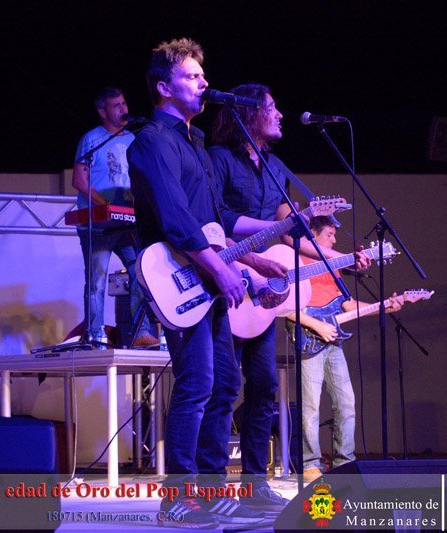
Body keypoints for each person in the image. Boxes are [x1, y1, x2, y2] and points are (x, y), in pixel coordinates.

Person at [127, 39, 289, 528]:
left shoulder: (196, 142)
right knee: (196, 384)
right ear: (164, 87)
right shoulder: (152, 140)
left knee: (222, 383)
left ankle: (209, 491)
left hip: (207, 277)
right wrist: (218, 269)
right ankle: (176, 500)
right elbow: (175, 217)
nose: (204, 83)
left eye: (203, 75)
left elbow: (215, 221)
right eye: (192, 76)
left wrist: (252, 258)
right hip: (182, 275)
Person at [210, 84, 370, 503]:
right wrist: (262, 244)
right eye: (272, 107)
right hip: (229, 283)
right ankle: (208, 486)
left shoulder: (275, 167)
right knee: (223, 387)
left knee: (264, 387)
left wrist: (341, 258)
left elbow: (291, 231)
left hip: (263, 297)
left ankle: (255, 485)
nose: (280, 114)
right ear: (249, 114)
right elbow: (216, 219)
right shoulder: (220, 159)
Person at [285, 215, 402, 483]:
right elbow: (284, 307)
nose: (335, 240)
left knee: (346, 402)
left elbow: (346, 305)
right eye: (329, 235)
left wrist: (383, 306)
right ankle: (310, 463)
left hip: (333, 340)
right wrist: (317, 325)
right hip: (309, 337)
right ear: (312, 235)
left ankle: (344, 462)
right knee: (310, 406)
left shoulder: (332, 267)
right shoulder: (296, 263)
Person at [71, 87, 154, 347]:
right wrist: (105, 203)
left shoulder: (133, 139)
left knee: (141, 272)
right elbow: (79, 180)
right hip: (99, 224)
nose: (123, 109)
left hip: (127, 222)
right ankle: (95, 334)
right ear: (103, 111)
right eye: (116, 105)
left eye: (124, 103)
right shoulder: (92, 139)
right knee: (96, 281)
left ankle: (141, 333)